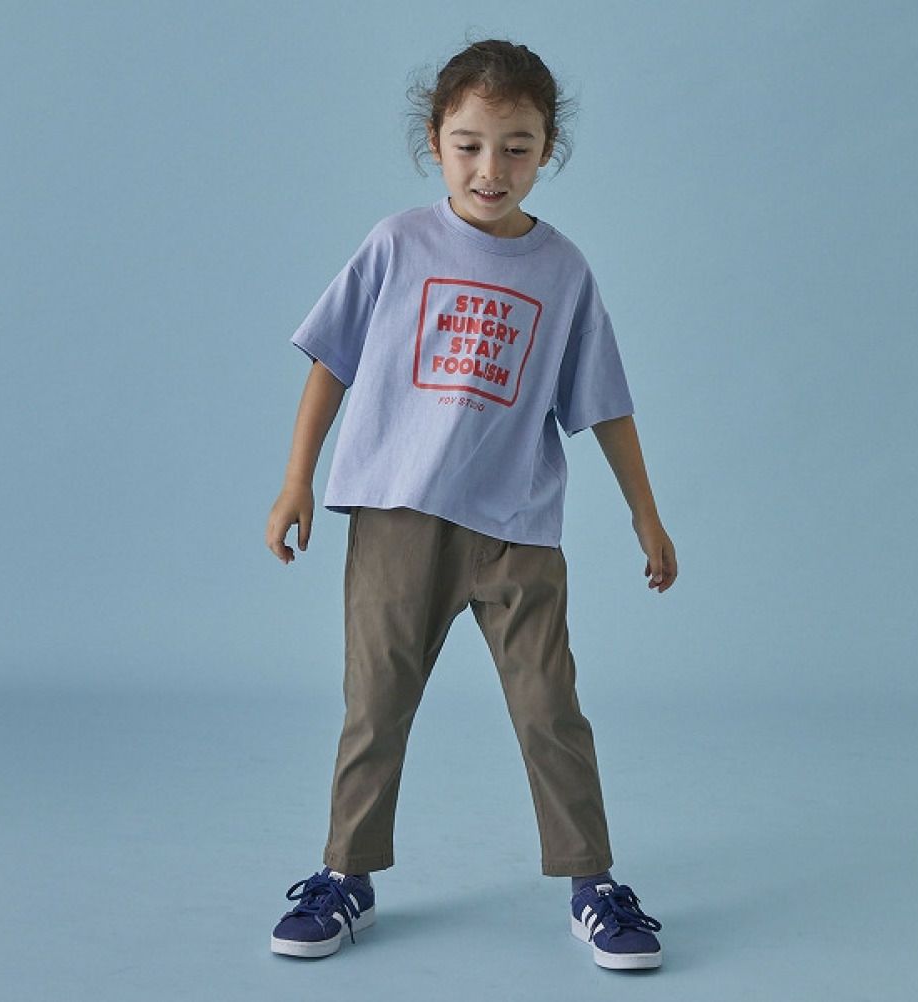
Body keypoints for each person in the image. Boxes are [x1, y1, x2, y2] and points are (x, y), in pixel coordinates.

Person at [264, 38, 677, 971]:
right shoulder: (397, 244)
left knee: (550, 708)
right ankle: (346, 875)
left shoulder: (563, 272)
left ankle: (592, 885)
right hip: (397, 514)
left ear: (547, 150)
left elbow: (604, 404)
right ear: (435, 142)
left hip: (516, 529)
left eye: (517, 147)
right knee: (376, 704)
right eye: (470, 145)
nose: (493, 168)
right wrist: (297, 481)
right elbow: (330, 362)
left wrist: (645, 516)